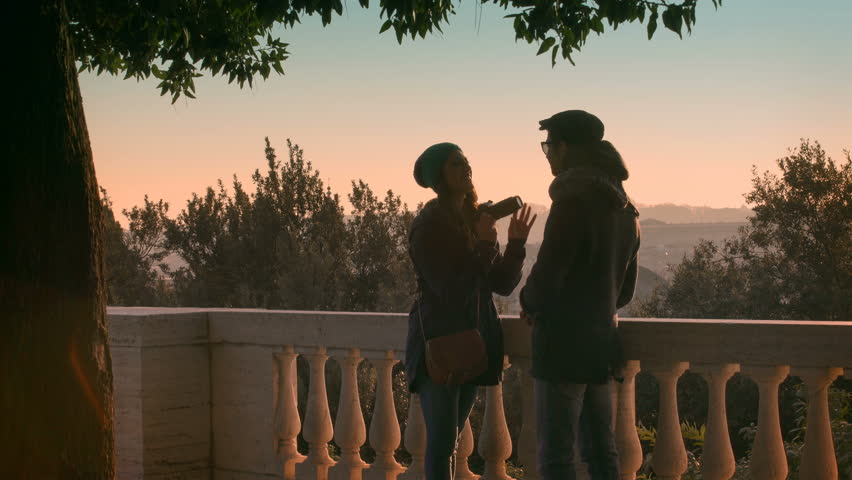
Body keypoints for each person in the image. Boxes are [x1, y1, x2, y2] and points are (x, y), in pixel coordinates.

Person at [520, 110, 640, 480]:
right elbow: (624, 292)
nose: (547, 154)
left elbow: (549, 271)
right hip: (602, 344)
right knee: (602, 450)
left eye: (548, 145)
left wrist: (528, 301)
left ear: (565, 147)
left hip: (562, 346)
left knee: (557, 456)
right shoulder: (625, 209)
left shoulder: (572, 202)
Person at [405, 142, 536, 480]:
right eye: (454, 164)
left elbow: (501, 284)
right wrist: (482, 245)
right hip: (441, 342)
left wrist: (515, 245)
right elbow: (450, 292)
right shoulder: (427, 227)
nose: (465, 168)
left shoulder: (472, 219)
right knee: (442, 442)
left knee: (451, 440)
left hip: (475, 341)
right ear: (439, 177)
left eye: (465, 161)